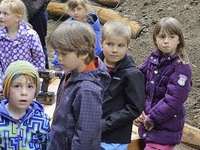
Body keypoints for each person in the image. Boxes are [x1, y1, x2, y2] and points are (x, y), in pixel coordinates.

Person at [48, 21, 110, 149]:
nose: (58, 58)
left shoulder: (88, 90)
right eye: (57, 52)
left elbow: (85, 137)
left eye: (64, 53)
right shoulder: (70, 72)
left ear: (84, 53)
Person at [135, 17, 192, 149]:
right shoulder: (153, 59)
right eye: (162, 37)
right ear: (155, 39)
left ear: (179, 40)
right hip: (148, 125)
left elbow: (173, 100)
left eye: (171, 37)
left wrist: (152, 118)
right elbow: (138, 81)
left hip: (165, 127)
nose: (166, 41)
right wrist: (139, 109)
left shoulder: (181, 67)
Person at [99, 20, 145, 150]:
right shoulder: (93, 67)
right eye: (110, 44)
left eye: (120, 45)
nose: (114, 50)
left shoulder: (132, 74)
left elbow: (134, 108)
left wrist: (106, 124)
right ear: (101, 42)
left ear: (127, 46)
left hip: (114, 137)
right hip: (91, 130)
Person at [0, 61, 51, 149]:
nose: (24, 92)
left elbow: (46, 146)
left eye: (30, 86)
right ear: (7, 89)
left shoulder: (42, 120)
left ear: (36, 90)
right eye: (17, 86)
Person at [0, 0, 46, 97]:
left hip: (27, 84)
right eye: (0, 13)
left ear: (18, 17)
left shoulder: (30, 35)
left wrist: (37, 82)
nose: (1, 17)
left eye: (5, 14)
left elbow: (39, 58)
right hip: (8, 84)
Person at [52, 0, 102, 68]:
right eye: (72, 9)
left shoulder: (93, 25)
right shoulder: (65, 27)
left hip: (88, 64)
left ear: (86, 8)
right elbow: (59, 48)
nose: (75, 13)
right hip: (68, 64)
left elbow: (97, 48)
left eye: (79, 9)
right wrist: (58, 64)